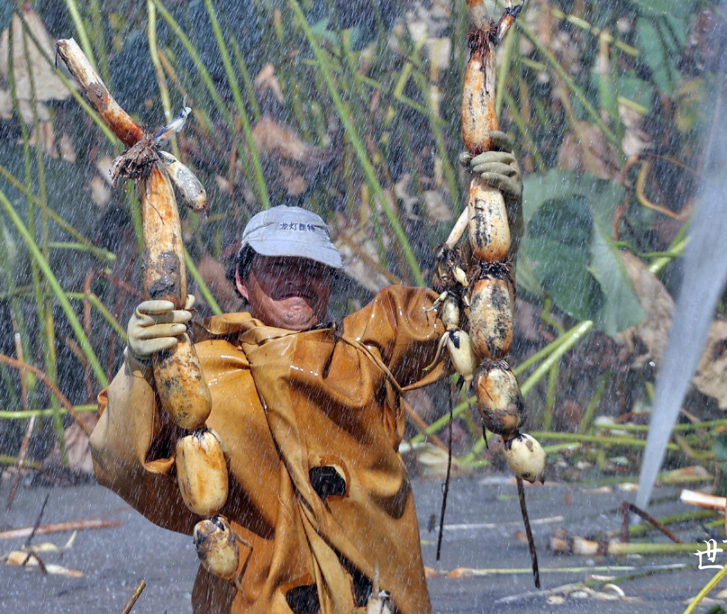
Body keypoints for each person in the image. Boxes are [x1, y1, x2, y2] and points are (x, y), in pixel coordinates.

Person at [89, 132, 523, 614]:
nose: (298, 277)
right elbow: (122, 464)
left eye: (313, 267)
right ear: (241, 279)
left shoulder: (371, 345)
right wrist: (137, 364)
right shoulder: (199, 366)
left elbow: (474, 311)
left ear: (332, 281)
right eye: (278, 265)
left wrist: (500, 211)